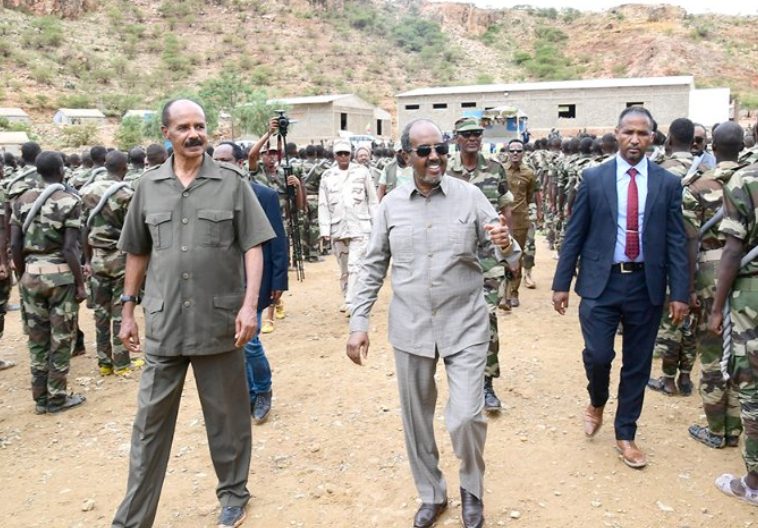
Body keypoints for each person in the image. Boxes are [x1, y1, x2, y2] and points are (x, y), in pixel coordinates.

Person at [346, 119, 520, 528]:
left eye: (440, 148)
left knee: (466, 416)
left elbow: (509, 257)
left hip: (465, 325)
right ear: (406, 157)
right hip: (411, 328)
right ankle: (432, 494)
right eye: (423, 151)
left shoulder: (471, 196)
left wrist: (506, 244)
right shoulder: (390, 206)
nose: (435, 157)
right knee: (416, 421)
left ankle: (472, 491)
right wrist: (358, 321)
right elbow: (372, 266)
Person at [110, 99, 275, 528]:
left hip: (220, 322)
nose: (194, 134)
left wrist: (250, 305)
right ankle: (133, 517)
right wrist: (128, 310)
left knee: (228, 419)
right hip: (164, 323)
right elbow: (137, 251)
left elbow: (254, 245)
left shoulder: (232, 182)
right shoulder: (149, 186)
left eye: (200, 125)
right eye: (184, 126)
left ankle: (234, 495)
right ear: (167, 133)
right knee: (149, 426)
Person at [552, 106, 689, 469]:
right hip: (601, 282)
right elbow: (575, 233)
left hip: (646, 284)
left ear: (653, 138)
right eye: (628, 132)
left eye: (643, 134)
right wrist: (561, 283)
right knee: (599, 356)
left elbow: (677, 241)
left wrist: (679, 292)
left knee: (638, 365)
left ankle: (625, 433)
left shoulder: (668, 183)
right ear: (616, 133)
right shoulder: (594, 179)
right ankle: (597, 399)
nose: (634, 139)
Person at [213, 141, 289, 424]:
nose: (220, 164)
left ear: (240, 162)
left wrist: (279, 280)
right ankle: (245, 393)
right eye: (216, 159)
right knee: (235, 341)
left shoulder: (263, 195)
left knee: (251, 342)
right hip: (223, 283)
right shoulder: (209, 197)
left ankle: (263, 389)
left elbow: (278, 242)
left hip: (256, 281)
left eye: (225, 159)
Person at [682, 122, 745, 449]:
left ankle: (716, 430)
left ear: (712, 148)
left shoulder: (697, 186)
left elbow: (690, 241)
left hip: (709, 273)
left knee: (710, 349)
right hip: (749, 273)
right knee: (742, 352)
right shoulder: (751, 179)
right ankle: (735, 428)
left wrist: (688, 287)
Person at [10, 151, 87, 414]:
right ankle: (56, 397)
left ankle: (40, 398)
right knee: (61, 337)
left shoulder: (22, 200)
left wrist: (23, 274)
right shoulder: (69, 201)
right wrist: (79, 283)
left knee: (37, 339)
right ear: (62, 170)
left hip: (31, 275)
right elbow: (70, 249)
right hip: (61, 278)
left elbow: (14, 244)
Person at [447, 117, 513, 411]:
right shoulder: (446, 171)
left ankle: (486, 384)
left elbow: (506, 209)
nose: (473, 138)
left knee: (487, 319)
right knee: (454, 321)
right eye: (467, 135)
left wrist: (506, 245)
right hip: (454, 259)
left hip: (487, 260)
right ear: (456, 139)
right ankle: (462, 384)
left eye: (477, 134)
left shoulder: (495, 169)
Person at [707, 155, 758, 506]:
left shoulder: (745, 180)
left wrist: (716, 307)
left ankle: (754, 481)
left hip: (751, 298)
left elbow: (732, 250)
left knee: (753, 386)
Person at [80, 150, 143, 376]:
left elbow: (83, 229)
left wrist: (87, 259)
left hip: (96, 257)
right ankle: (122, 361)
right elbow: (135, 232)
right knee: (120, 310)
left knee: (100, 311)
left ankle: (104, 362)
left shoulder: (87, 191)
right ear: (125, 168)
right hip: (120, 258)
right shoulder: (127, 194)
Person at [647, 118, 698, 396]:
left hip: (672, 255)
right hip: (706, 258)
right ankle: (687, 376)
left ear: (668, 141)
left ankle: (667, 377)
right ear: (694, 142)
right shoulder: (707, 170)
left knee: (673, 316)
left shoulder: (660, 171)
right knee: (692, 319)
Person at [318, 138, 378, 315]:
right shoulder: (327, 176)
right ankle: (348, 297)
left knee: (355, 266)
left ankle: (353, 302)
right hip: (338, 229)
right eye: (340, 154)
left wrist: (377, 225)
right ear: (335, 155)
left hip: (360, 225)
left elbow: (373, 201)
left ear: (350, 154)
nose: (343, 156)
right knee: (345, 269)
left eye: (346, 153)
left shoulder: (362, 172)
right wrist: (324, 230)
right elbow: (323, 204)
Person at [504, 138, 541, 304]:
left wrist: (538, 212)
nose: (515, 154)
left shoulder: (529, 173)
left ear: (523, 153)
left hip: (520, 221)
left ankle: (513, 292)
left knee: (515, 258)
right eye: (512, 150)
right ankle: (502, 292)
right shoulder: (500, 170)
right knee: (500, 256)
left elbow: (532, 195)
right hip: (502, 220)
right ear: (507, 152)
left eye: (518, 150)